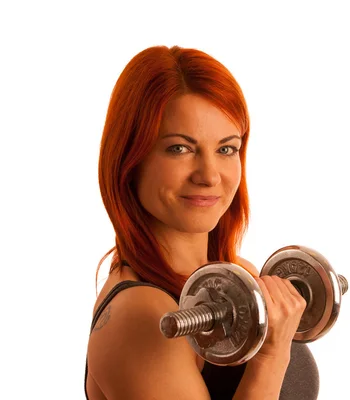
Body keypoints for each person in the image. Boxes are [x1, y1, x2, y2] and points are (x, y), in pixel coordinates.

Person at [84, 45, 320, 400]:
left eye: (226, 149)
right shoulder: (142, 319)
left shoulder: (237, 272)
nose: (210, 176)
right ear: (130, 160)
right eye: (180, 148)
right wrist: (271, 356)